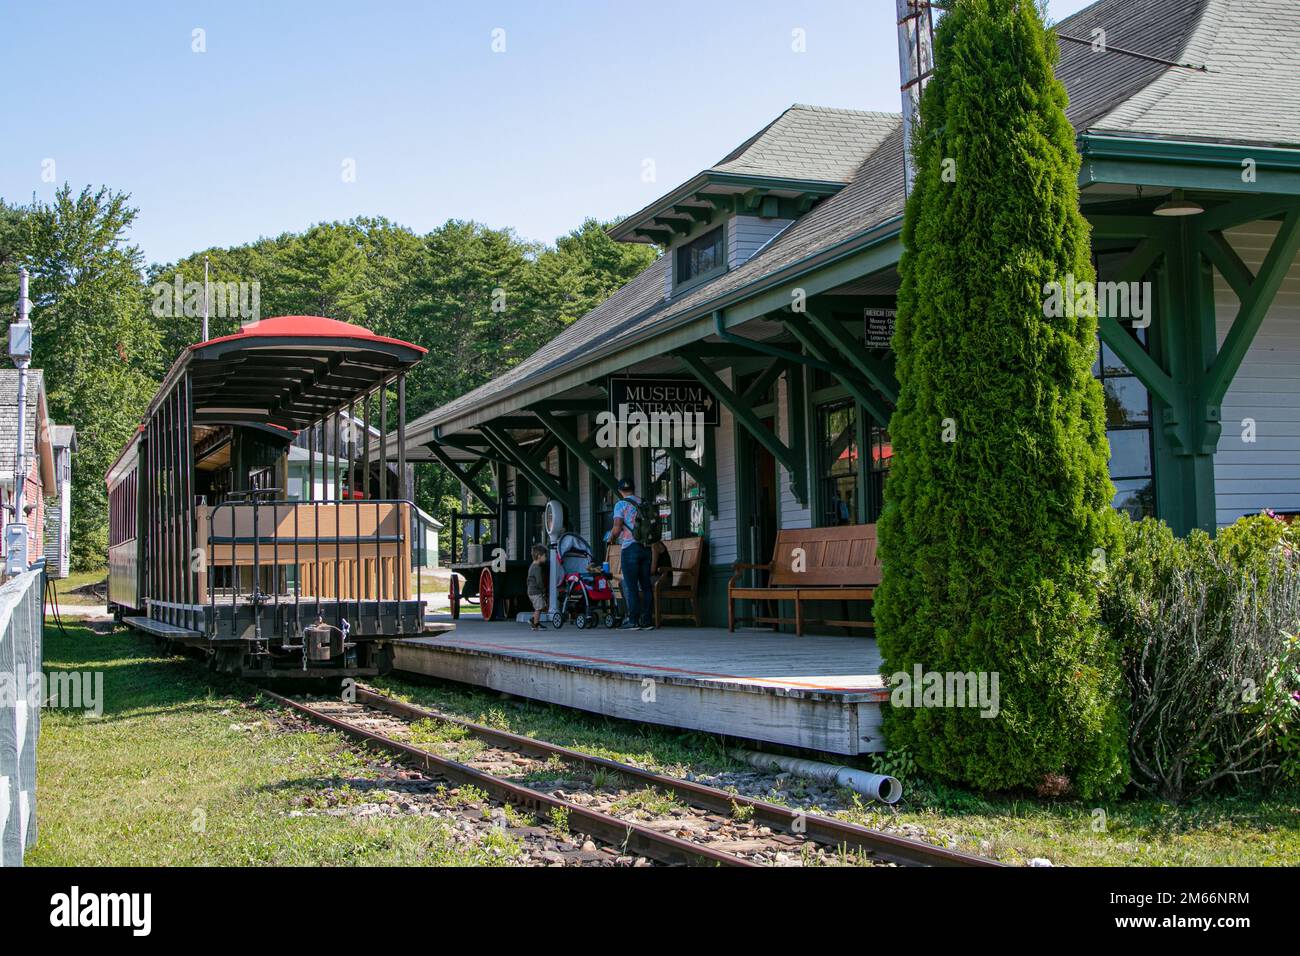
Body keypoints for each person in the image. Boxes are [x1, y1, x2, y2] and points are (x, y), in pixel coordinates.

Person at [607, 477, 654, 630]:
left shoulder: (621, 504)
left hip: (629, 547)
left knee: (631, 585)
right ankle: (647, 620)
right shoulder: (643, 502)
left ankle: (633, 620)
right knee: (646, 585)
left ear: (620, 491)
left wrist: (611, 538)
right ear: (634, 488)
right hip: (646, 547)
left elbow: (617, 527)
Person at [526, 543, 548, 631]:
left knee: (541, 606)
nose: (546, 558)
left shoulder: (532, 566)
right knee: (539, 608)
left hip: (531, 591)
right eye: (544, 556)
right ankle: (535, 624)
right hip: (535, 591)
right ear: (539, 556)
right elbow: (539, 581)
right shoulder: (537, 568)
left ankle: (533, 619)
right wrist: (543, 590)